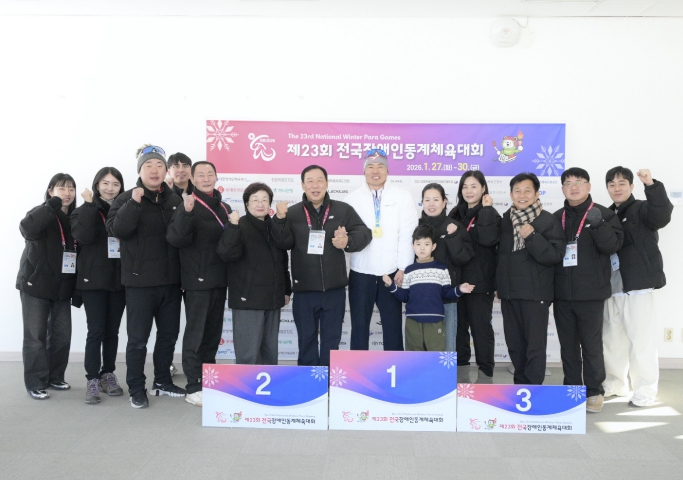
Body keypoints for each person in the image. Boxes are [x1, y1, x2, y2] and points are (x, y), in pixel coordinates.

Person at [107, 145, 185, 408]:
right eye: (149, 165)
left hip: (171, 282)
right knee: (138, 340)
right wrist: (134, 203)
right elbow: (117, 230)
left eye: (159, 165)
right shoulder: (126, 198)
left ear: (166, 170)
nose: (154, 170)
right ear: (140, 170)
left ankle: (162, 381)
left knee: (169, 335)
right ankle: (136, 387)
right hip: (139, 283)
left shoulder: (173, 199)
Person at [271, 165, 372, 366]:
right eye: (310, 181)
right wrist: (279, 220)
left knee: (331, 342)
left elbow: (364, 233)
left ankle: (329, 379)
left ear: (327, 183)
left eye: (319, 181)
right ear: (303, 185)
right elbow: (282, 243)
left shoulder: (342, 209)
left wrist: (348, 241)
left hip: (334, 291)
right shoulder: (292, 213)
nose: (315, 186)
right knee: (306, 341)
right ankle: (309, 381)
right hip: (304, 291)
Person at [552, 167, 623, 413]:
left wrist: (599, 224)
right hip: (562, 293)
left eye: (579, 182)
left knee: (592, 346)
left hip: (592, 293)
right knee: (568, 346)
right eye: (568, 183)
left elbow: (613, 245)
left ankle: (594, 391)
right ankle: (572, 389)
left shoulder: (604, 214)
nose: (574, 187)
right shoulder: (556, 217)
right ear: (562, 188)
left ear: (589, 186)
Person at [603, 167, 673, 407]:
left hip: (638, 286)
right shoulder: (607, 214)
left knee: (641, 341)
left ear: (632, 186)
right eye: (612, 184)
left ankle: (645, 390)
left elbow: (662, 216)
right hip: (612, 287)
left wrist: (651, 185)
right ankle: (616, 383)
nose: (617, 188)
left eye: (622, 183)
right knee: (612, 340)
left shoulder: (643, 208)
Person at [167, 161, 232, 407]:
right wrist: (185, 212)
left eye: (210, 174)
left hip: (219, 278)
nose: (206, 178)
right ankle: (193, 385)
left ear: (216, 177)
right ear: (192, 179)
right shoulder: (187, 203)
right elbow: (176, 239)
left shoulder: (224, 207)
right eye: (200, 175)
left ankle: (209, 380)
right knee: (196, 334)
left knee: (213, 334)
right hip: (197, 279)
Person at [344, 149, 418, 351]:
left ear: (387, 170)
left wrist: (403, 267)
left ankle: (395, 368)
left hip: (392, 272)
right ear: (364, 170)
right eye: (370, 166)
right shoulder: (351, 200)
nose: (375, 171)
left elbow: (408, 234)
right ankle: (358, 368)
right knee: (359, 326)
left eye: (380, 166)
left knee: (393, 326)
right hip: (361, 272)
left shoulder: (402, 196)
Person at [497, 173, 565, 385]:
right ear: (511, 194)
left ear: (537, 194)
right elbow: (499, 257)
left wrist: (533, 237)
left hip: (536, 295)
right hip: (509, 294)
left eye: (527, 190)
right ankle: (520, 388)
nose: (522, 195)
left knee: (535, 347)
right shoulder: (506, 220)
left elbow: (555, 255)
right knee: (515, 345)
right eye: (517, 191)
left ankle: (534, 389)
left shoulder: (547, 220)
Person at [217, 182, 292, 368]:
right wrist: (233, 227)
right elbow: (227, 254)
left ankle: (269, 387)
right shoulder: (239, 225)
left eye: (265, 200)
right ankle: (245, 387)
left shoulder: (274, 226)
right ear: (246, 203)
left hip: (273, 299)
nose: (260, 204)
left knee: (269, 354)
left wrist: (286, 290)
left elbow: (283, 261)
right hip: (248, 300)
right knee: (248, 355)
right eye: (255, 200)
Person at [17, 173, 77, 400]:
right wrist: (51, 205)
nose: (67, 193)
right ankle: (35, 382)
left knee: (62, 336)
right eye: (61, 188)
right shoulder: (41, 212)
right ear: (51, 191)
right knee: (35, 337)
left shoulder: (72, 219)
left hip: (62, 287)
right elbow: (27, 229)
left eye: (71, 188)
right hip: (36, 285)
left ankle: (55, 377)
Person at [71, 168, 127, 404]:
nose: (110, 188)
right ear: (96, 185)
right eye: (105, 183)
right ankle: (92, 379)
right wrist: (89, 205)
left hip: (119, 280)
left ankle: (108, 374)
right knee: (95, 331)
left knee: (112, 332)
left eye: (115, 184)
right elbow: (83, 235)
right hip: (92, 281)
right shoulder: (84, 209)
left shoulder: (125, 209)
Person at [383, 225, 474, 351]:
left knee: (436, 356)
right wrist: (391, 285)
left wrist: (459, 289)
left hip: (435, 321)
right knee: (414, 358)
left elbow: (446, 293)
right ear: (412, 246)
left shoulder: (441, 268)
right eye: (418, 244)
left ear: (433, 246)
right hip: (413, 321)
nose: (422, 248)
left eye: (426, 244)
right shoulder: (409, 270)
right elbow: (405, 296)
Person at [449, 171, 501, 381]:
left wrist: (486, 209)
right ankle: (461, 373)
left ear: (483, 188)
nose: (469, 191)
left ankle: (485, 374)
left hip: (480, 282)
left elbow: (488, 239)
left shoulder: (490, 213)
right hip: (457, 282)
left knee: (481, 330)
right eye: (465, 186)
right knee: (458, 329)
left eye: (474, 186)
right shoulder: (455, 213)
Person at [419, 183, 474, 354]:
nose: (431, 204)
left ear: (444, 202)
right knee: (421, 344)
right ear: (422, 202)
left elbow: (464, 258)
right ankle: (423, 372)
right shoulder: (415, 226)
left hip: (447, 295)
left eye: (436, 199)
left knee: (447, 343)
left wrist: (453, 236)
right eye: (427, 200)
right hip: (421, 296)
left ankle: (446, 372)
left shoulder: (454, 226)